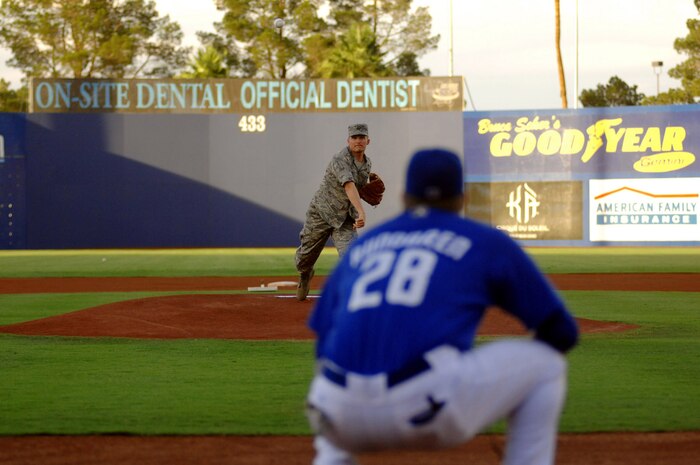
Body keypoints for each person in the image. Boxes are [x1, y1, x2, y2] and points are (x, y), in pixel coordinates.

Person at [305, 148, 579, 465]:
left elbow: (323, 341)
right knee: (546, 366)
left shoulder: (364, 246)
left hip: (336, 412)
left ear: (404, 196)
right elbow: (562, 332)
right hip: (426, 404)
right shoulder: (484, 241)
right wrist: (480, 387)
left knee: (334, 371)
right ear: (461, 198)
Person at [295, 123, 373, 301]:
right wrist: (362, 211)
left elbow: (357, 187)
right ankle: (305, 275)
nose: (358, 141)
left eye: (362, 137)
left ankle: (349, 296)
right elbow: (348, 185)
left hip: (345, 218)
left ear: (368, 141)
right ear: (348, 140)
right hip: (321, 213)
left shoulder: (367, 163)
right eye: (354, 137)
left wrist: (366, 191)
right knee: (304, 259)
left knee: (352, 257)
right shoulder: (339, 159)